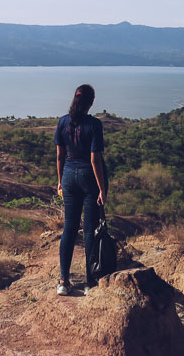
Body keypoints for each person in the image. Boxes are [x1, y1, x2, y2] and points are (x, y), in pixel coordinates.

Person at [54, 84, 107, 296]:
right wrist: (102, 189)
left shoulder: (63, 122)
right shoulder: (94, 124)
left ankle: (63, 281)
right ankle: (88, 282)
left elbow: (59, 156)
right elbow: (95, 160)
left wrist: (59, 181)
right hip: (88, 178)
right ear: (91, 102)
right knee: (89, 230)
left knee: (69, 227)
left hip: (68, 175)